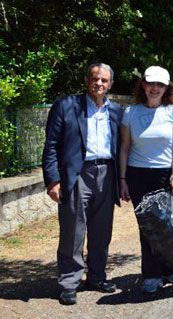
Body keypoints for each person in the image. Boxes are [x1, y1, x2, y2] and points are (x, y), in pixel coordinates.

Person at [42, 63, 123, 305]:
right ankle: (69, 282)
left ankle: (97, 276)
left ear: (110, 84)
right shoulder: (66, 105)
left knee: (102, 231)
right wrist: (53, 179)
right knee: (73, 230)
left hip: (107, 173)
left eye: (104, 80)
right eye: (95, 78)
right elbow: (51, 145)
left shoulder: (117, 111)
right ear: (87, 79)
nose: (99, 83)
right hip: (77, 174)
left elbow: (123, 147)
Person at [118, 66, 173, 295]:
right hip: (138, 175)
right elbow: (125, 148)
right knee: (148, 227)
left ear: (167, 87)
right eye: (151, 84)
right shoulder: (130, 113)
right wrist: (122, 179)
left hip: (166, 175)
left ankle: (169, 269)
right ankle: (150, 274)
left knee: (169, 225)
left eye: (160, 85)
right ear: (143, 85)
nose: (155, 88)